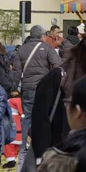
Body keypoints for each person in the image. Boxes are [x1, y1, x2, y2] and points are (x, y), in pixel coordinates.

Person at [26, 35, 86, 172]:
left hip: (85, 156)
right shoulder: (58, 76)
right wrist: (41, 157)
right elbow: (40, 119)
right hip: (56, 154)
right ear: (83, 57)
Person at [10, 25, 64, 161]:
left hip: (27, 88)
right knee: (43, 118)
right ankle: (39, 147)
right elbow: (58, 65)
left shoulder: (21, 50)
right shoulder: (47, 48)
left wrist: (14, 88)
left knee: (26, 118)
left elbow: (16, 72)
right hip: (44, 89)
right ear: (42, 36)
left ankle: (22, 149)